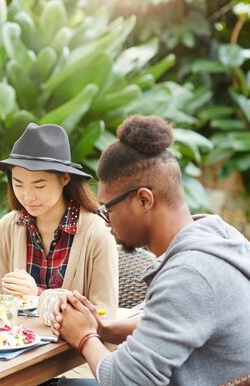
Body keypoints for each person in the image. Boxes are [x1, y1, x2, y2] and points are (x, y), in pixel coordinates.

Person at [51, 115, 250, 385]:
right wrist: (102, 328)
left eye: (107, 208)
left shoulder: (190, 273)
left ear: (144, 199)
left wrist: (85, 337)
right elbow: (173, 323)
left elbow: (125, 381)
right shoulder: (216, 236)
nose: (105, 220)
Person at [0, 123, 118, 310]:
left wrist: (37, 296)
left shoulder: (97, 232)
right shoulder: (8, 227)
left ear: (65, 178)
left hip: (75, 340)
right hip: (18, 338)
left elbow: (106, 313)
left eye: (39, 186)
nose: (27, 196)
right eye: (18, 184)